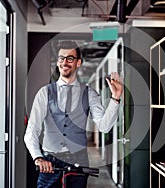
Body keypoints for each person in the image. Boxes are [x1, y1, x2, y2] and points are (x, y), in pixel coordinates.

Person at [24, 40, 123, 188]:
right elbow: (32, 129)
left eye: (70, 58)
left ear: (78, 63)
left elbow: (104, 127)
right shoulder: (45, 93)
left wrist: (115, 98)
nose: (65, 62)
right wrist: (38, 157)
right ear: (57, 62)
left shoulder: (90, 93)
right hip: (50, 160)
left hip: (79, 160)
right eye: (61, 58)